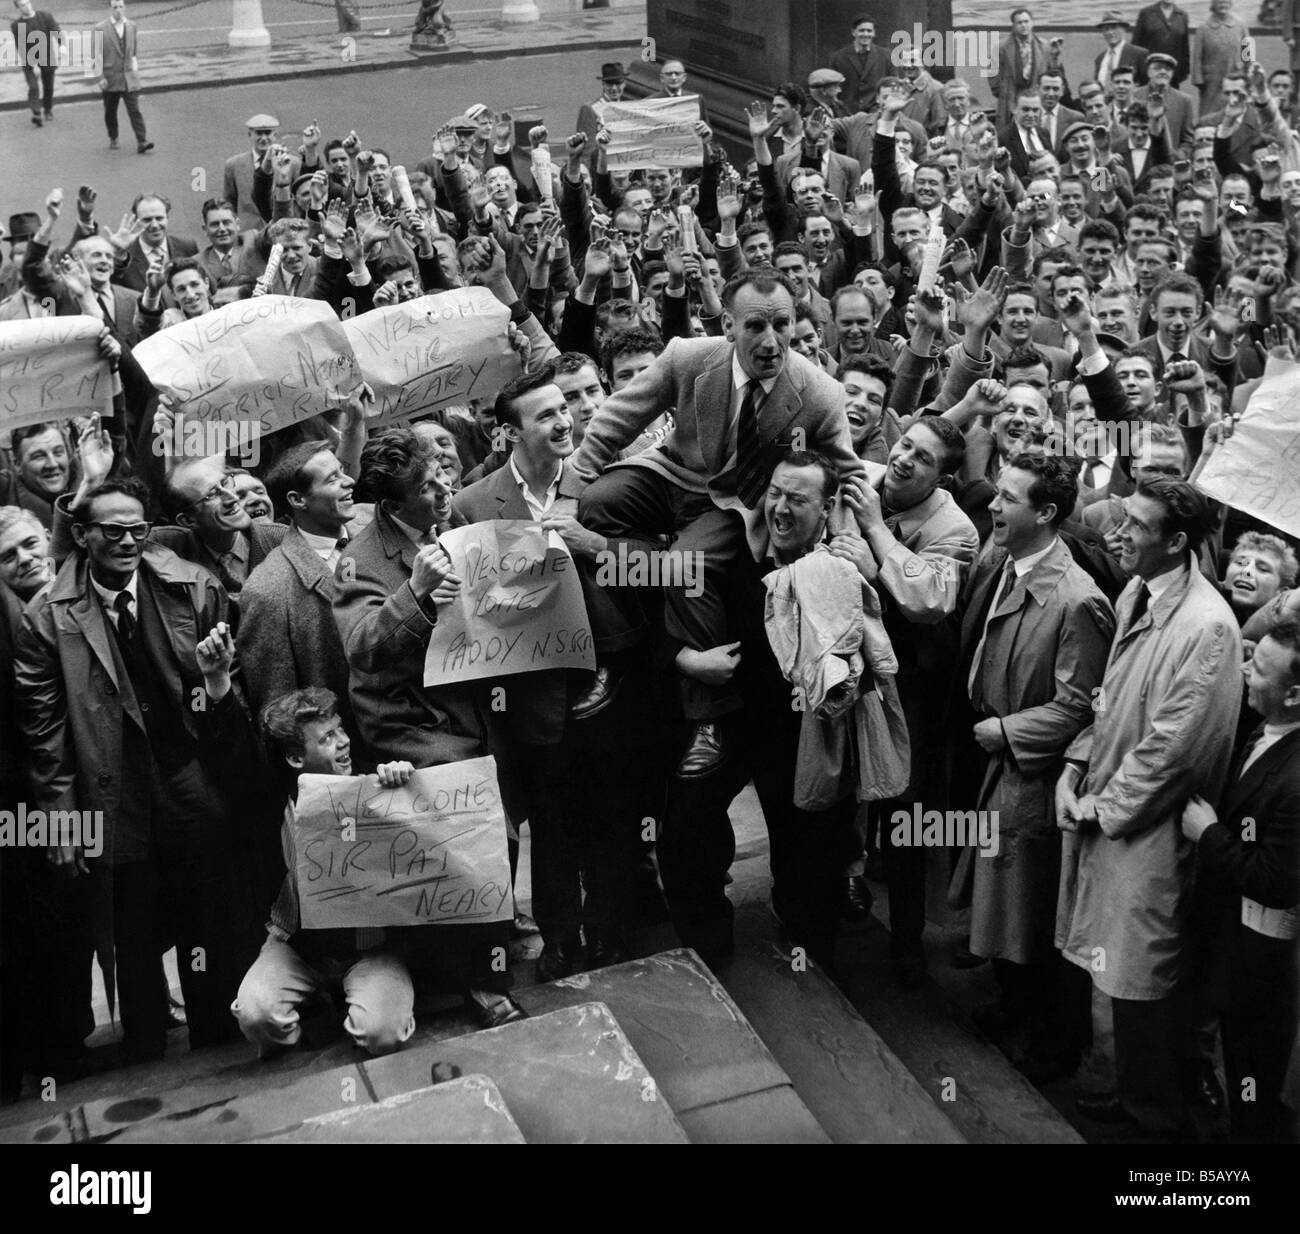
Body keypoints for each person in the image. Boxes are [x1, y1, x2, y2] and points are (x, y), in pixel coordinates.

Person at [572, 268, 864, 779]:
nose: (771, 341)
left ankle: (710, 717)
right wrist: (568, 490)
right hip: (671, 472)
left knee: (686, 567)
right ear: (727, 325)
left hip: (734, 503)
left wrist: (850, 539)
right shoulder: (687, 357)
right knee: (596, 503)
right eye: (755, 326)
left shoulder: (820, 394)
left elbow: (846, 474)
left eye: (783, 324)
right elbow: (617, 417)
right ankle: (615, 653)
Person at [15, 477, 250, 1064]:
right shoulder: (48, 617)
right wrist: (62, 821)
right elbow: (44, 734)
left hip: (185, 772)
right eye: (112, 531)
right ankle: (146, 1051)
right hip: (109, 785)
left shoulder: (190, 586)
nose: (127, 541)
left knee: (206, 908)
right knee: (132, 924)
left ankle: (215, 1037)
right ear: (81, 535)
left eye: (137, 530)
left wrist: (211, 679)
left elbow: (224, 694)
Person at [1056, 477, 1243, 1135]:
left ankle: (1157, 1134)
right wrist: (1078, 763)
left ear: (1177, 542)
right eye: (1123, 518)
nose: (1119, 533)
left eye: (1137, 525)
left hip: (1148, 834)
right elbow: (1112, 703)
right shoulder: (1138, 587)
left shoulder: (1208, 628)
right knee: (1118, 976)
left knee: (1145, 988)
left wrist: (1099, 810)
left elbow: (1172, 753)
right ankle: (1124, 1095)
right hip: (1113, 816)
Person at [957, 451, 1115, 1082]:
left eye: (1008, 499)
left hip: (1035, 778)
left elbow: (1082, 707)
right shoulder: (1002, 560)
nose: (993, 507)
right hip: (997, 763)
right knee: (1006, 905)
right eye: (996, 493)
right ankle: (1015, 1004)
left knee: (1044, 916)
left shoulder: (1078, 600)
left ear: (1046, 513)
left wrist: (1007, 730)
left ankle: (1060, 1041)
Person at [230, 683, 418, 1058]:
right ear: (297, 759)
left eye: (341, 729)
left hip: (371, 950)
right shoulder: (274, 799)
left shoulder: (376, 785)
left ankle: (356, 1006)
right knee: (257, 1014)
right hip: (298, 947)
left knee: (382, 1035)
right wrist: (218, 685)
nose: (344, 741)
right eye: (328, 738)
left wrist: (404, 782)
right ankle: (313, 1019)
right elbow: (233, 752)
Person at [1181, 617, 1300, 1141]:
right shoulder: (1267, 727)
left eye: (1259, 669)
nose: (1246, 671)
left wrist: (1207, 833)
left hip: (1262, 965)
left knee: (1254, 1075)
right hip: (1231, 942)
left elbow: (1274, 879)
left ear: (1294, 694)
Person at [95, 0, 152, 154]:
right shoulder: (100, 28)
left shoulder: (132, 26)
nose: (118, 10)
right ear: (110, 9)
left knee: (135, 110)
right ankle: (113, 136)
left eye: (121, 7)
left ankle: (142, 141)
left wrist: (135, 69)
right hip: (110, 77)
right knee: (110, 111)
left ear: (125, 7)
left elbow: (134, 51)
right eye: (115, 7)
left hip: (129, 76)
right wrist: (100, 77)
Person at [11, 0, 60, 127]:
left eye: (28, 3)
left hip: (47, 56)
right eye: (23, 5)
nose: (27, 6)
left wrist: (62, 45)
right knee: (33, 87)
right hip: (29, 60)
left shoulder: (45, 16)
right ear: (18, 8)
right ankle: (37, 113)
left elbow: (56, 30)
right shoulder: (17, 25)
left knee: (48, 86)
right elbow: (21, 47)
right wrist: (33, 65)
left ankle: (48, 109)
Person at [830, 15, 892, 115]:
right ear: (853, 32)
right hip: (847, 115)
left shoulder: (886, 56)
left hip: (876, 114)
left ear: (874, 33)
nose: (865, 34)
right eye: (862, 30)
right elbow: (833, 90)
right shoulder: (838, 58)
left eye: (869, 31)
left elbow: (892, 86)